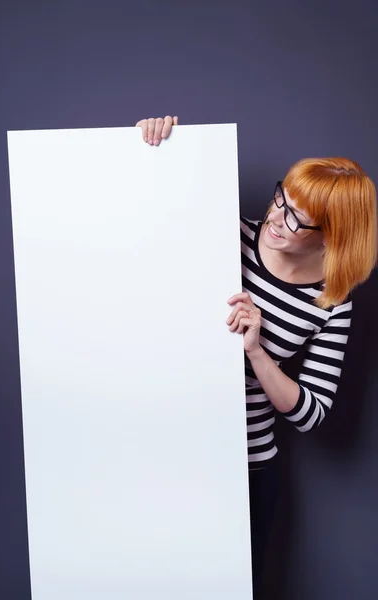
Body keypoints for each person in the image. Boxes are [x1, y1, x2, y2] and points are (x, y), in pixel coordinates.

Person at [135, 116, 377, 599]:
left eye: (296, 218)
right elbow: (136, 233)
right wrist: (154, 146)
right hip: (162, 453)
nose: (275, 219)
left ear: (333, 234)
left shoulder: (332, 298)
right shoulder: (222, 236)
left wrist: (257, 351)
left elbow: (312, 413)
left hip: (244, 469)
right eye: (280, 199)